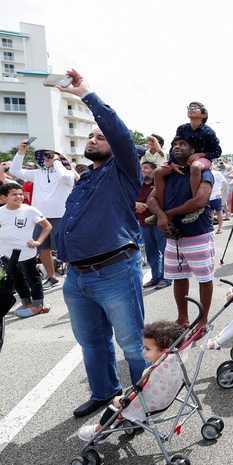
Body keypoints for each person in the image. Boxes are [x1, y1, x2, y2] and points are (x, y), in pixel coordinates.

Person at [55, 69, 146, 419]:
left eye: (99, 136)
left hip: (114, 271)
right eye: (90, 136)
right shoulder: (88, 175)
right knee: (92, 343)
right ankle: (105, 392)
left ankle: (140, 406)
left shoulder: (124, 169)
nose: (93, 139)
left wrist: (87, 96)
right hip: (77, 277)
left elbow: (120, 135)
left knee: (133, 346)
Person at [146, 135, 215, 331]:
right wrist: (160, 215)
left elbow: (200, 201)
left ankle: (203, 321)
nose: (177, 147)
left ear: (193, 151)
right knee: (178, 277)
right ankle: (182, 318)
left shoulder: (204, 171)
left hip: (198, 233)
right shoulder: (167, 172)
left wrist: (166, 214)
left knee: (204, 278)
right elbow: (151, 199)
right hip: (173, 236)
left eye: (182, 144)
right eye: (175, 144)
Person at [76, 320, 184, 442]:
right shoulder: (176, 364)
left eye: (147, 349)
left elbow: (134, 394)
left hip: (145, 409)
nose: (143, 351)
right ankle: (123, 420)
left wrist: (121, 400)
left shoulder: (152, 372)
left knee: (116, 403)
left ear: (164, 352)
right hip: (163, 403)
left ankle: (98, 432)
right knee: (126, 396)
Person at [9, 144, 75, 290]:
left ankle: (74, 274)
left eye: (50, 156)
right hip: (40, 217)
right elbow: (14, 170)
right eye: (45, 156)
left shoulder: (67, 173)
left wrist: (57, 161)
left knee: (66, 248)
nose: (46, 158)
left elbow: (64, 175)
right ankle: (52, 278)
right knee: (43, 248)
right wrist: (21, 152)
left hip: (61, 216)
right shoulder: (37, 173)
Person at [147, 101, 221, 225]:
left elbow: (217, 151)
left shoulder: (208, 132)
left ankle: (195, 207)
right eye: (189, 107)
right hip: (182, 158)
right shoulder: (182, 128)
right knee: (159, 171)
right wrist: (172, 162)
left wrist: (200, 154)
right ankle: (161, 208)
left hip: (201, 159)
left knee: (195, 167)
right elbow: (174, 145)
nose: (191, 109)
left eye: (195, 108)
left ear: (203, 115)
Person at [0, 182, 52, 317]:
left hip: (25, 251)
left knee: (32, 277)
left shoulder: (30, 210)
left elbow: (47, 226)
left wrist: (38, 241)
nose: (19, 197)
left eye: (20, 194)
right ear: (4, 197)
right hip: (5, 253)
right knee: (16, 278)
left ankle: (38, 304)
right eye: (14, 194)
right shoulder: (1, 211)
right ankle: (26, 302)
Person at [137, 161, 171, 290]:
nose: (143, 170)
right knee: (151, 252)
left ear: (154, 170)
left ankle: (166, 278)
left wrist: (146, 205)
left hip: (159, 222)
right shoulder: (137, 185)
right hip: (143, 223)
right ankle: (155, 277)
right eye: (141, 168)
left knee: (164, 250)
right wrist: (136, 204)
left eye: (146, 168)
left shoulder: (159, 184)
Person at [210, 164, 228, 234]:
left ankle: (220, 228)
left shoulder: (216, 173)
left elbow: (225, 182)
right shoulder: (205, 173)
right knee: (210, 213)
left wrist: (221, 193)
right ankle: (210, 228)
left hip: (216, 196)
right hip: (209, 197)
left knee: (218, 212)